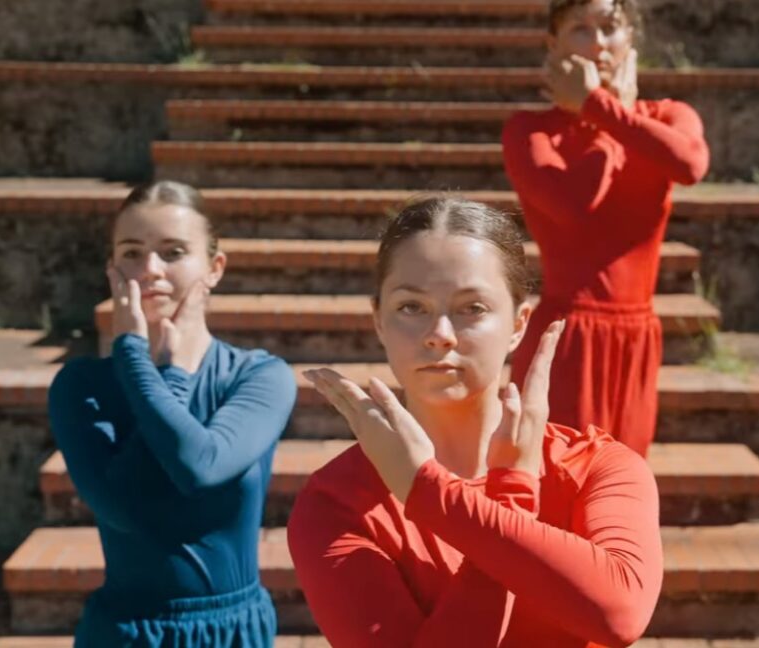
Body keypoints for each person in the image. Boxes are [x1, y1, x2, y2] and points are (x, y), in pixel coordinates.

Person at [287, 196, 662, 647]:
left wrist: (429, 492)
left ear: (519, 324)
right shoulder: (336, 502)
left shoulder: (597, 468)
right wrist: (509, 496)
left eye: (472, 308)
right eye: (411, 307)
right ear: (379, 321)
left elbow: (618, 616)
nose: (439, 335)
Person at [48, 180, 297, 647]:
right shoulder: (82, 386)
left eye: (173, 251)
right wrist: (151, 365)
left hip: (234, 631)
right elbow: (126, 510)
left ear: (215, 267)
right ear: (112, 270)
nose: (151, 270)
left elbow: (199, 466)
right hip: (128, 633)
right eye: (132, 253)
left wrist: (153, 367)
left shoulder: (259, 377)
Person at [502, 0, 710, 457]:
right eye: (580, 29)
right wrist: (604, 113)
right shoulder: (529, 131)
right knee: (553, 488)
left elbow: (691, 165)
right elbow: (577, 206)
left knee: (620, 493)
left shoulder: (668, 116)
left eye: (610, 27)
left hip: (636, 337)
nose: (597, 43)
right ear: (552, 43)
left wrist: (609, 111)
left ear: (630, 39)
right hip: (565, 337)